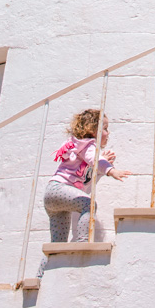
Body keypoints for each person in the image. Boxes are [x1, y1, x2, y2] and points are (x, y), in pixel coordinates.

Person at [37, 108, 131, 277]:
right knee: (88, 204)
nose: (108, 133)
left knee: (57, 244)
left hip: (54, 198)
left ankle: (40, 277)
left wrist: (100, 170)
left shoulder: (82, 148)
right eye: (105, 128)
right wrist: (110, 170)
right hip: (57, 189)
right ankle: (82, 244)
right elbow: (95, 159)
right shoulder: (88, 144)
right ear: (94, 129)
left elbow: (84, 185)